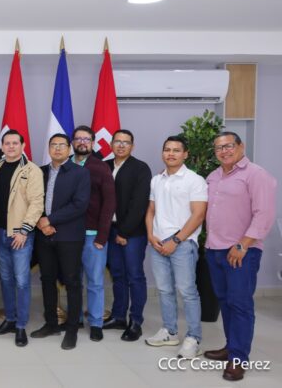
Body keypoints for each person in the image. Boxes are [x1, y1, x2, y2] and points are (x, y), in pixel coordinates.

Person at [202, 132, 277, 381]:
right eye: (218, 148)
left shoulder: (256, 174)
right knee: (225, 302)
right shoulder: (214, 176)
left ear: (241, 146)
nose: (224, 151)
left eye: (229, 146)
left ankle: (238, 358)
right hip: (215, 249)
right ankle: (231, 346)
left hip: (241, 251)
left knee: (240, 303)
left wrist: (243, 244)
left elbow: (264, 214)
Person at [144, 136, 207, 359]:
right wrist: (151, 235)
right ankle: (170, 332)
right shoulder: (156, 180)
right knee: (164, 290)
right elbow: (151, 211)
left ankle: (193, 338)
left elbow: (198, 215)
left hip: (183, 243)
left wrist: (176, 240)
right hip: (158, 242)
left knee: (188, 292)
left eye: (176, 150)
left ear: (185, 154)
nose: (171, 154)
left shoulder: (195, 180)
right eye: (167, 149)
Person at [30, 133, 90, 350]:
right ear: (48, 148)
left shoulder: (80, 173)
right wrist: (41, 222)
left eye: (61, 145)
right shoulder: (40, 172)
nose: (57, 148)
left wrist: (50, 220)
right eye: (53, 145)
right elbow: (32, 200)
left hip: (69, 236)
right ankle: (51, 324)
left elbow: (80, 204)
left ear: (69, 149)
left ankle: (72, 329)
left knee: (72, 281)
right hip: (44, 234)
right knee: (47, 279)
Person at [0, 130, 44, 347]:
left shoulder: (32, 170)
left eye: (15, 143)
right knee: (5, 279)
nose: (11, 147)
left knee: (21, 281)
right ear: (2, 146)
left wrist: (24, 231)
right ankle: (10, 320)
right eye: (7, 143)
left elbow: (36, 203)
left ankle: (21, 326)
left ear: (22, 146)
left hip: (20, 234)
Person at [103, 129, 152, 342]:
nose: (121, 145)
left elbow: (139, 203)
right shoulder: (105, 166)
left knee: (134, 276)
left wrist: (124, 232)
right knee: (118, 275)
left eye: (126, 142)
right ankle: (118, 316)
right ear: (111, 144)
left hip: (132, 233)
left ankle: (136, 321)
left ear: (132, 146)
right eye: (118, 141)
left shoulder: (140, 168)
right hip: (110, 231)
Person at [69, 126, 115, 342]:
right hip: (69, 234)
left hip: (93, 235)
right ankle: (75, 318)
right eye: (78, 139)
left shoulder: (101, 167)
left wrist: (102, 236)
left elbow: (109, 203)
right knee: (73, 280)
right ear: (72, 142)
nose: (82, 142)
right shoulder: (65, 165)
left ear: (93, 143)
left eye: (86, 139)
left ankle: (96, 323)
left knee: (95, 281)